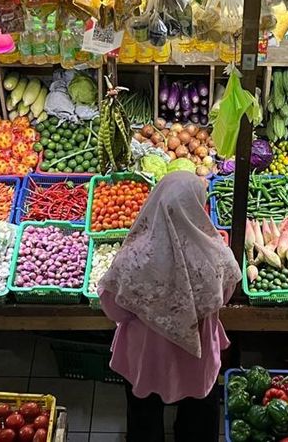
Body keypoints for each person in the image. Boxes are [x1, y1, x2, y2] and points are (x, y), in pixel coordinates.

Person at [97, 171, 241, 442]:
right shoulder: (216, 254)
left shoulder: (134, 257)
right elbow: (225, 294)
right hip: (195, 357)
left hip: (147, 357)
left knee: (144, 413)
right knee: (199, 411)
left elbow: (114, 309)